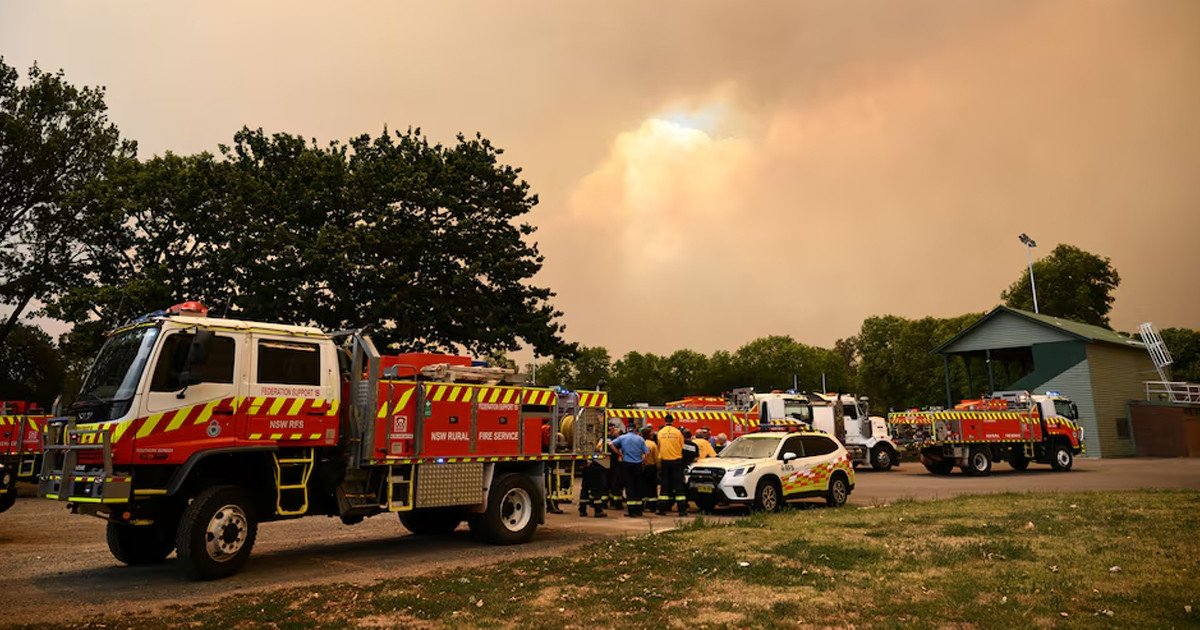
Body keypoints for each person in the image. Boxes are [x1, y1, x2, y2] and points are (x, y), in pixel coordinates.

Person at [611, 424, 648, 517]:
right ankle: (639, 510)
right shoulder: (640, 439)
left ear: (627, 429)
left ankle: (631, 511)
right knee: (638, 486)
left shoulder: (623, 438)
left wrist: (619, 453)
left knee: (629, 486)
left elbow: (610, 444)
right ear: (635, 429)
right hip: (637, 465)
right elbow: (646, 453)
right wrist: (643, 463)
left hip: (626, 464)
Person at [656, 415, 688, 517]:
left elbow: (659, 446)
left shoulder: (660, 433)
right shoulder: (678, 432)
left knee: (664, 486)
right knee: (678, 486)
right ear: (673, 421)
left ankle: (662, 509)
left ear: (665, 421)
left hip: (665, 461)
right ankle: (682, 510)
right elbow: (682, 446)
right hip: (676, 462)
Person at [541, 419, 563, 514]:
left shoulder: (540, 428)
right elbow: (548, 443)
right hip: (549, 459)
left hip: (543, 457)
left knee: (549, 483)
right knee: (551, 484)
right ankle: (552, 506)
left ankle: (551, 505)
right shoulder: (547, 429)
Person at [639, 426, 659, 514]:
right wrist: (659, 467)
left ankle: (642, 505)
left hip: (640, 467)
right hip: (651, 467)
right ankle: (652, 506)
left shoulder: (638, 443)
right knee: (651, 487)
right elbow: (657, 458)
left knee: (642, 486)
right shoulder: (652, 444)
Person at [606, 424, 624, 510]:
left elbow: (598, 447)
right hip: (615, 463)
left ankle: (606, 501)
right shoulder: (616, 440)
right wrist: (618, 453)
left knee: (607, 482)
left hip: (605, 462)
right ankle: (616, 502)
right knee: (615, 482)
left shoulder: (603, 438)